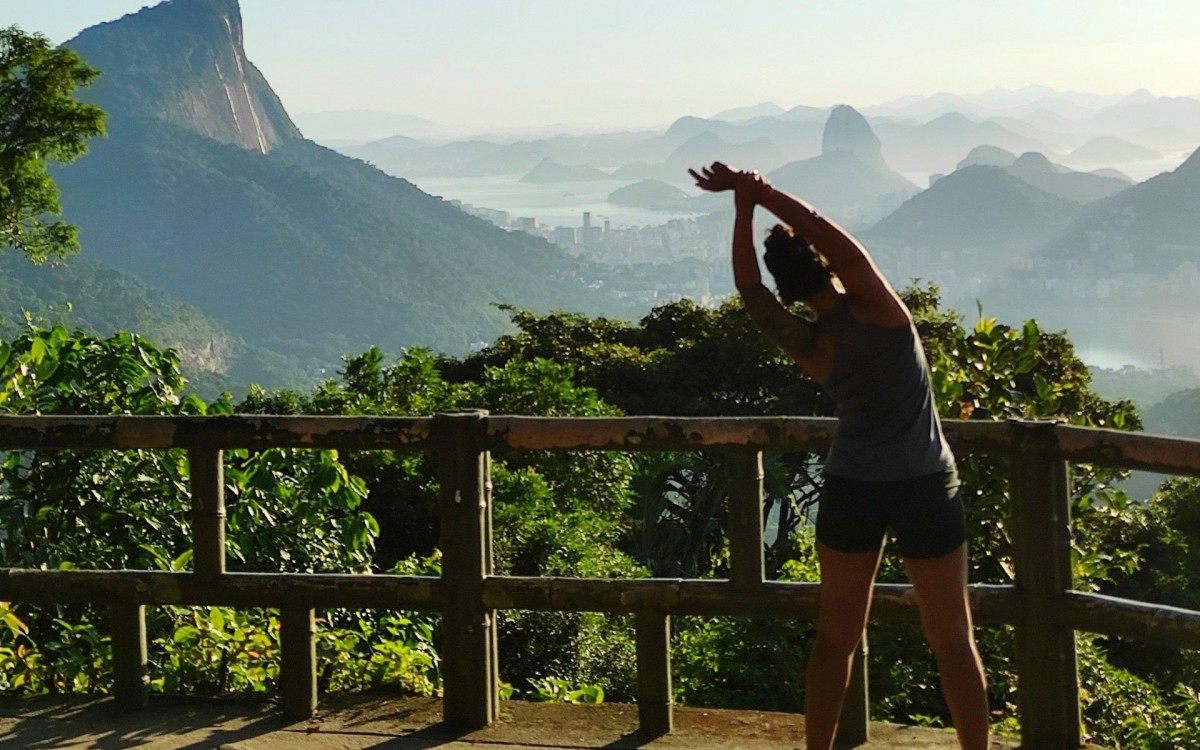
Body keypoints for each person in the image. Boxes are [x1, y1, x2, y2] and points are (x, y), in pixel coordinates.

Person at [688, 162, 989, 750]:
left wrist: (742, 208)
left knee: (836, 636)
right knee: (952, 636)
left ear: (788, 289)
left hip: (853, 484)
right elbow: (833, 237)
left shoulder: (810, 342)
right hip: (925, 483)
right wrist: (763, 191)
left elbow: (749, 292)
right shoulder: (883, 312)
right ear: (823, 267)